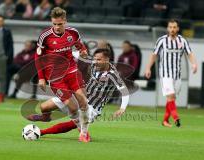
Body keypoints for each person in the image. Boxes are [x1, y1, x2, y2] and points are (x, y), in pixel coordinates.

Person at [28, 49, 129, 138]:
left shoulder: (113, 75)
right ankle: (45, 118)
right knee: (44, 107)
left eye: (99, 60)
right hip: (79, 97)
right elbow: (76, 54)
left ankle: (41, 132)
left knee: (73, 123)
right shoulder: (94, 63)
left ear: (106, 60)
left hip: (93, 107)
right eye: (95, 59)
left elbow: (124, 90)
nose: (95, 62)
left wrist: (122, 108)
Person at [35, 7, 90, 142]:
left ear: (65, 21)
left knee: (83, 100)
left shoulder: (73, 33)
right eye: (54, 24)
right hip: (55, 77)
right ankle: (78, 125)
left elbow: (79, 45)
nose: (57, 27)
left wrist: (83, 51)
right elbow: (38, 57)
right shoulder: (45, 36)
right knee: (72, 107)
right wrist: (41, 77)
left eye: (60, 24)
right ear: (51, 22)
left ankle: (84, 134)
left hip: (72, 71)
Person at [145, 19, 197, 127]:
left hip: (177, 75)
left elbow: (189, 53)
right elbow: (154, 55)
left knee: (172, 98)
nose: (172, 29)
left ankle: (165, 121)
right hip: (165, 74)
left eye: (174, 27)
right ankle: (176, 119)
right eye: (170, 27)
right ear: (167, 28)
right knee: (171, 95)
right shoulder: (161, 40)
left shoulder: (182, 41)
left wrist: (194, 64)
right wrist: (148, 68)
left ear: (178, 28)